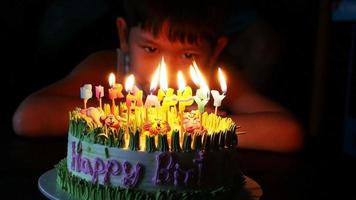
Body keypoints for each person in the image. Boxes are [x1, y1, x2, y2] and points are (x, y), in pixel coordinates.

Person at [12, 0, 304, 153]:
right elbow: (28, 118)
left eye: (188, 55)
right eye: (151, 48)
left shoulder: (212, 81)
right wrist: (129, 118)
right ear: (124, 36)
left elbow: (288, 133)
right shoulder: (107, 68)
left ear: (216, 51)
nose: (168, 67)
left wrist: (195, 125)